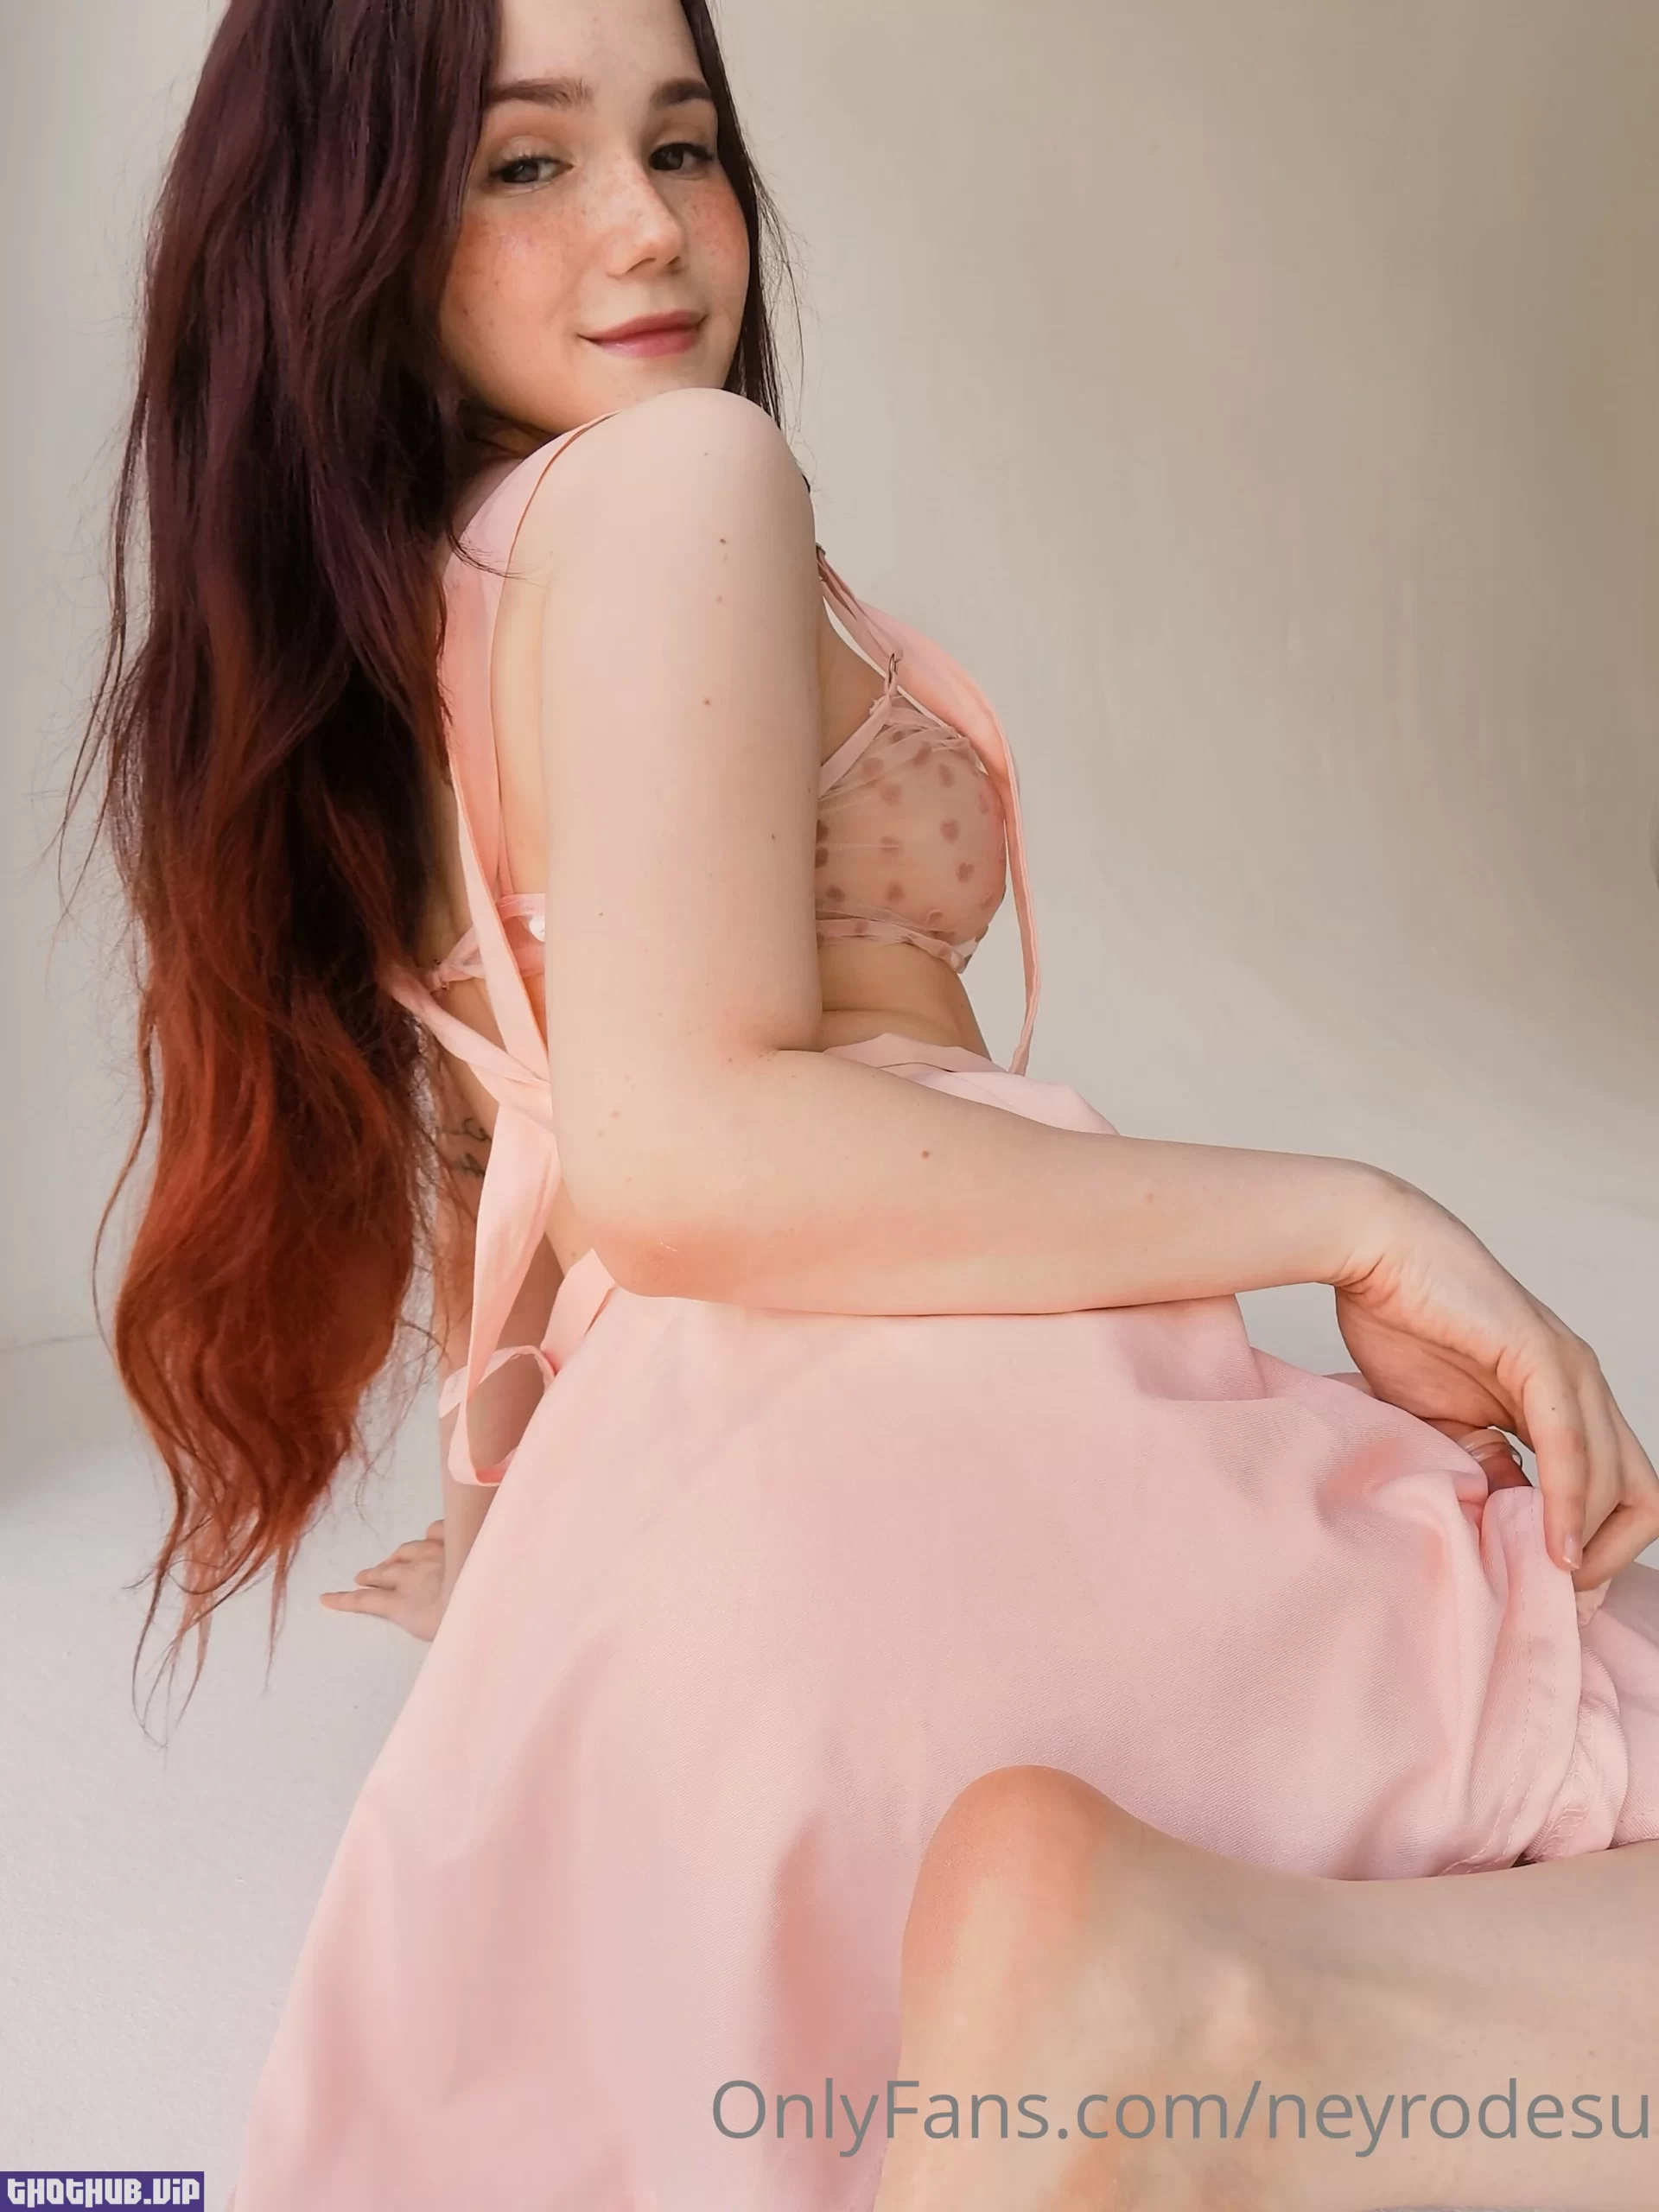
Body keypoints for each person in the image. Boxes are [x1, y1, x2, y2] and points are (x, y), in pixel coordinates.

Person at [66, 0, 1659, 2203]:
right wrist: (1362, 1214)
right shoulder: (673, 485)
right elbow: (679, 1149)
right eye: (524, 164)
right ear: (358, 235)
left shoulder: (422, 598)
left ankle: (1161, 1989)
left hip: (702, 1475)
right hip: (899, 1407)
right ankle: (1183, 1997)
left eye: (683, 143)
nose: (650, 227)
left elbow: (516, 1147)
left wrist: (542, 1625)